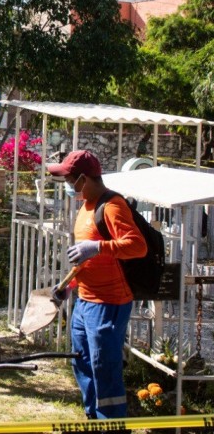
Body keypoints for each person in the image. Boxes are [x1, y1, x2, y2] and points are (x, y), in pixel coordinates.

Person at [47, 150, 146, 425]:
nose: (66, 184)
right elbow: (88, 259)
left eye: (68, 179)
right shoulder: (85, 205)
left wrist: (98, 247)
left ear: (82, 179)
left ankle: (111, 424)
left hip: (109, 303)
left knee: (104, 367)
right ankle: (93, 418)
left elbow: (138, 246)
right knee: (82, 362)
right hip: (84, 302)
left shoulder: (112, 206)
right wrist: (69, 285)